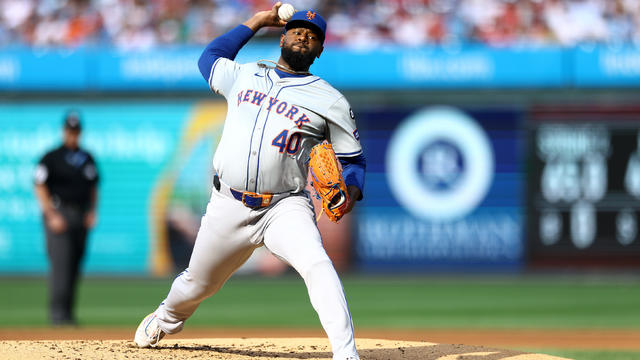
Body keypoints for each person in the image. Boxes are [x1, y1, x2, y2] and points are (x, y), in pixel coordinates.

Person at [133, 3, 366, 360]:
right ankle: (165, 317)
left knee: (317, 264)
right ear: (283, 36)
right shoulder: (246, 73)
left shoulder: (330, 100)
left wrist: (350, 189)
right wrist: (257, 21)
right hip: (228, 203)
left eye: (313, 36)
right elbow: (209, 58)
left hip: (284, 206)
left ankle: (346, 353)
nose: (304, 36)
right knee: (197, 284)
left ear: (319, 50)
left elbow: (352, 161)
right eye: (298, 31)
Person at [34, 110, 99, 326]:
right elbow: (39, 184)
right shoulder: (52, 157)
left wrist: (92, 211)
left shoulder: (86, 158)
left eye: (76, 131)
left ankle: (68, 316)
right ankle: (58, 317)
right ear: (64, 131)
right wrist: (50, 214)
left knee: (74, 265)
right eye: (70, 131)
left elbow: (94, 187)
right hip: (59, 214)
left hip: (80, 215)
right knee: (61, 266)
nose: (73, 135)